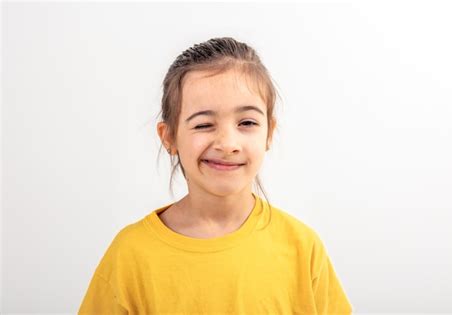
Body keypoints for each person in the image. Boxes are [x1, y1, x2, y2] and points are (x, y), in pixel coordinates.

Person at [78, 37, 353, 314]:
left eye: (247, 122)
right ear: (169, 136)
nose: (228, 143)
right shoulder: (130, 255)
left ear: (269, 132)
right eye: (204, 124)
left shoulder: (302, 248)